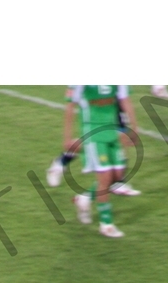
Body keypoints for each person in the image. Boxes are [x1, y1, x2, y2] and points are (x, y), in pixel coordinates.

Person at [54, 86, 141, 239]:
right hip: (93, 132)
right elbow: (70, 106)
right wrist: (66, 138)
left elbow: (125, 100)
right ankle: (106, 224)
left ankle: (84, 198)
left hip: (112, 130)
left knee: (117, 177)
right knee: (105, 177)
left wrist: (134, 128)